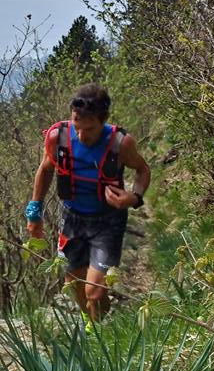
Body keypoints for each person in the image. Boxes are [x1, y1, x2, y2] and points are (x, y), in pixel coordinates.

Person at [25, 83, 150, 322]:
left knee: (93, 289)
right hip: (72, 217)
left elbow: (143, 170)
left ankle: (97, 329)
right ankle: (94, 322)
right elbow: (45, 169)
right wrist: (34, 210)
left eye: (89, 129)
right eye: (77, 127)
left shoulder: (120, 143)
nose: (82, 135)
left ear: (103, 121)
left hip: (108, 220)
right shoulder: (58, 136)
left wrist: (134, 197)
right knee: (73, 282)